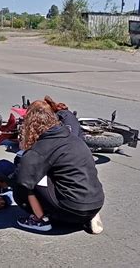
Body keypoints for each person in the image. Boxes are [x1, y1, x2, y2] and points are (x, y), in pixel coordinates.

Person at [13, 98, 105, 233]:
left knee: (29, 175)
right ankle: (89, 215)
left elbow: (23, 179)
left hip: (72, 209)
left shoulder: (44, 146)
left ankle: (40, 220)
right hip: (96, 201)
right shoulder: (73, 138)